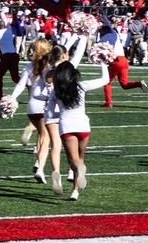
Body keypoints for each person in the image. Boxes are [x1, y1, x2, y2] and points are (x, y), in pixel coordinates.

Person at [45, 58, 110, 201]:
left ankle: (78, 177)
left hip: (67, 126)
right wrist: (103, 63)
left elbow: (49, 114)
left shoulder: (56, 92)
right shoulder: (81, 86)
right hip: (83, 126)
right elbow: (105, 79)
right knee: (80, 158)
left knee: (72, 160)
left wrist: (60, 114)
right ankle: (75, 191)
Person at [9, 38, 54, 183]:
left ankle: (38, 161)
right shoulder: (51, 67)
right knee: (46, 137)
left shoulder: (29, 66)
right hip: (45, 104)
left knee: (41, 134)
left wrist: (12, 98)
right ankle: (40, 167)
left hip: (31, 105)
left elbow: (21, 85)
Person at [97, 19, 148, 107]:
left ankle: (108, 103)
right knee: (124, 84)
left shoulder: (109, 35)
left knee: (106, 82)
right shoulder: (115, 34)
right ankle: (139, 83)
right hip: (124, 60)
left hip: (117, 60)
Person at [0, 19, 20, 100]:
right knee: (15, 78)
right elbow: (5, 19)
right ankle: (28, 84)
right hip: (15, 55)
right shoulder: (9, 30)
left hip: (7, 56)